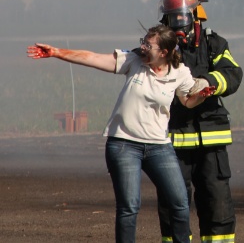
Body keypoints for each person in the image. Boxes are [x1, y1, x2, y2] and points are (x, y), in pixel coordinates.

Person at [27, 25, 215, 243]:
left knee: (180, 202)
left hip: (159, 147)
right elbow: (92, 57)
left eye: (148, 45)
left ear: (164, 52)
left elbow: (188, 100)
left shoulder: (180, 72)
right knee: (129, 207)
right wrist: (57, 52)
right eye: (143, 41)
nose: (142, 47)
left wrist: (201, 95)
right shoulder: (133, 61)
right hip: (124, 145)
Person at [156, 0, 243, 243]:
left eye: (182, 16)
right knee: (173, 207)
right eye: (173, 17)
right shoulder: (159, 48)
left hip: (211, 142)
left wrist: (208, 82)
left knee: (217, 205)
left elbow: (233, 73)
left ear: (196, 14)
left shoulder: (214, 44)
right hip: (173, 142)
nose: (178, 22)